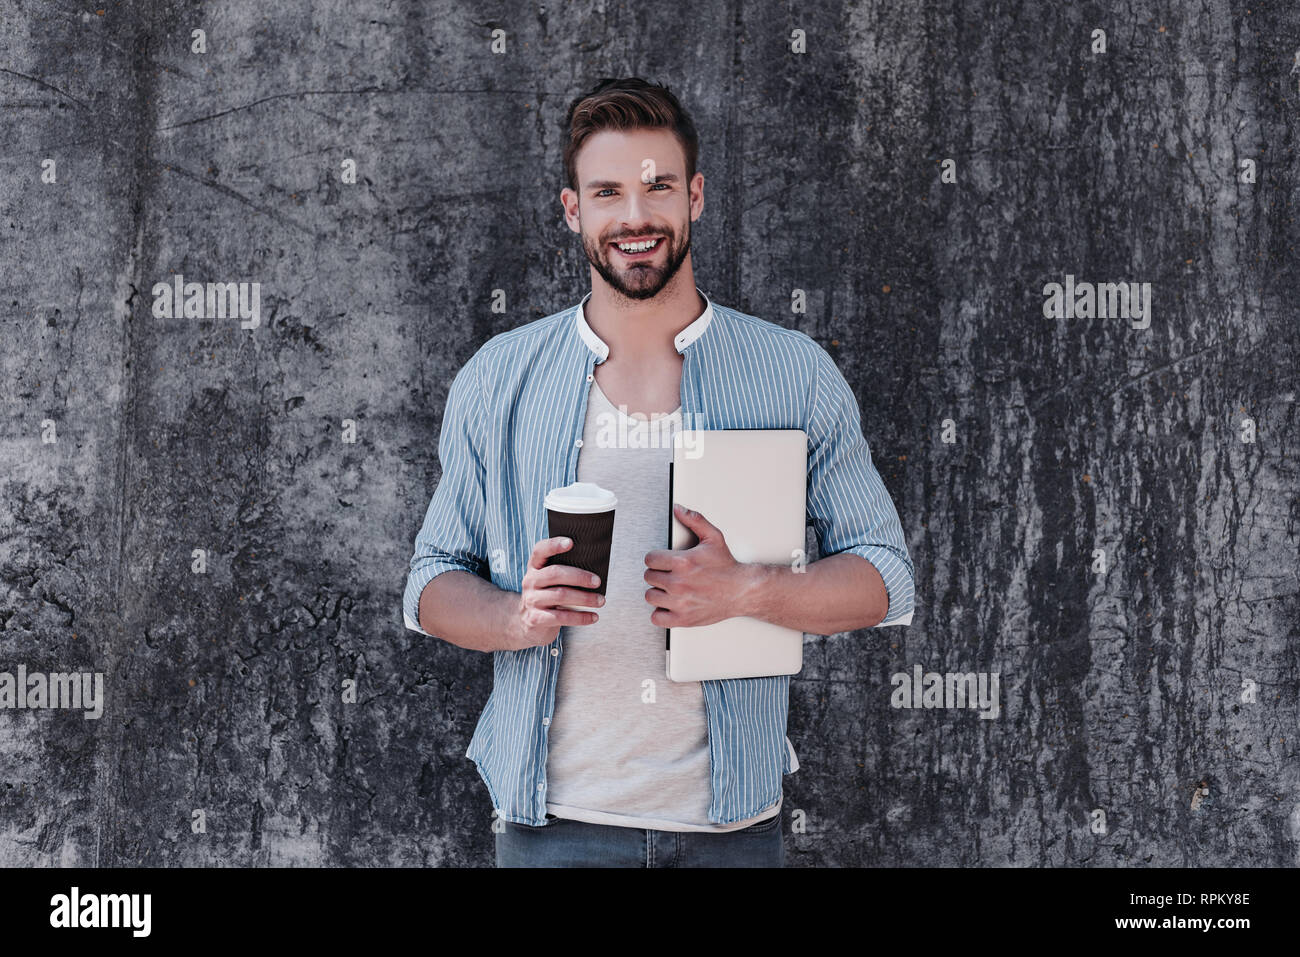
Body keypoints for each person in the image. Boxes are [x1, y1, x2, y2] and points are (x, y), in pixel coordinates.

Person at [403, 77, 915, 867]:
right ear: (573, 209)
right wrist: (517, 619)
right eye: (607, 191)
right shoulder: (497, 379)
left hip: (731, 832)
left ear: (695, 197)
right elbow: (431, 583)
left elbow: (886, 577)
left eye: (658, 187)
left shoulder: (792, 372)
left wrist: (753, 590)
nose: (635, 216)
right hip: (551, 828)